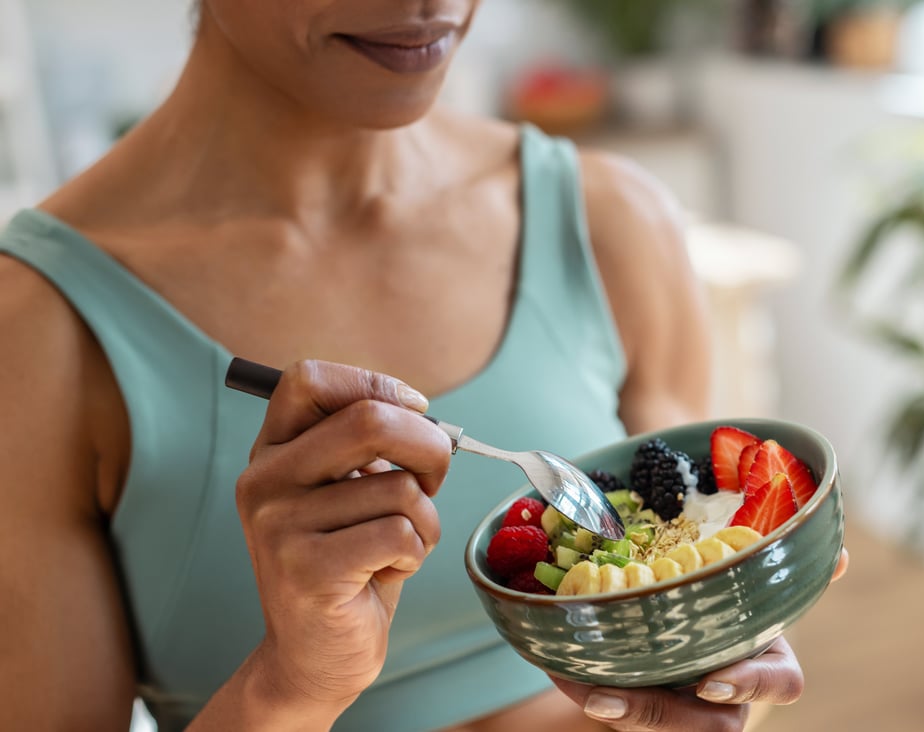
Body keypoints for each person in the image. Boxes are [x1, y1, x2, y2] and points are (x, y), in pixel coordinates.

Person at [0, 1, 847, 730]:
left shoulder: (612, 222)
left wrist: (719, 665)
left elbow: (707, 656)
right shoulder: (37, 328)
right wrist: (291, 687)